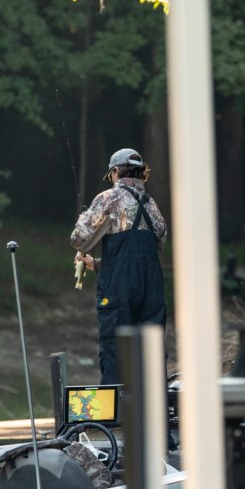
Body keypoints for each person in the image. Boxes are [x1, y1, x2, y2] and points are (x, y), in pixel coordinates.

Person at [70, 148, 168, 385]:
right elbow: (151, 250)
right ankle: (154, 404)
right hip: (152, 288)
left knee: (115, 347)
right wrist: (98, 265)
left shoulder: (109, 198)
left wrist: (84, 219)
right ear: (141, 173)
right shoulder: (152, 205)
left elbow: (79, 240)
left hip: (119, 290)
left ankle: (118, 407)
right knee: (151, 349)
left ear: (115, 172)